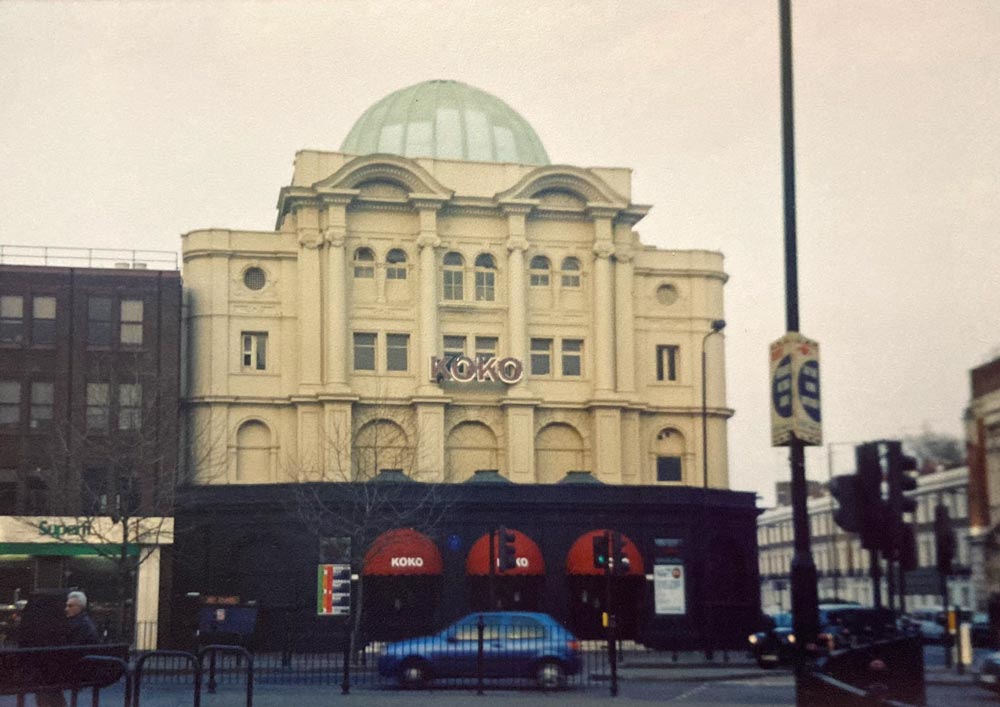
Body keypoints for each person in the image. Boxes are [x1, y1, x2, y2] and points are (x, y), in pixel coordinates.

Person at [35, 591, 100, 707]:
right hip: (83, 667)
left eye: (70, 606)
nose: (66, 609)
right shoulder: (85, 623)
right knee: (48, 684)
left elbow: (69, 650)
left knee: (42, 683)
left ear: (80, 607)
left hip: (77, 670)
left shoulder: (78, 625)